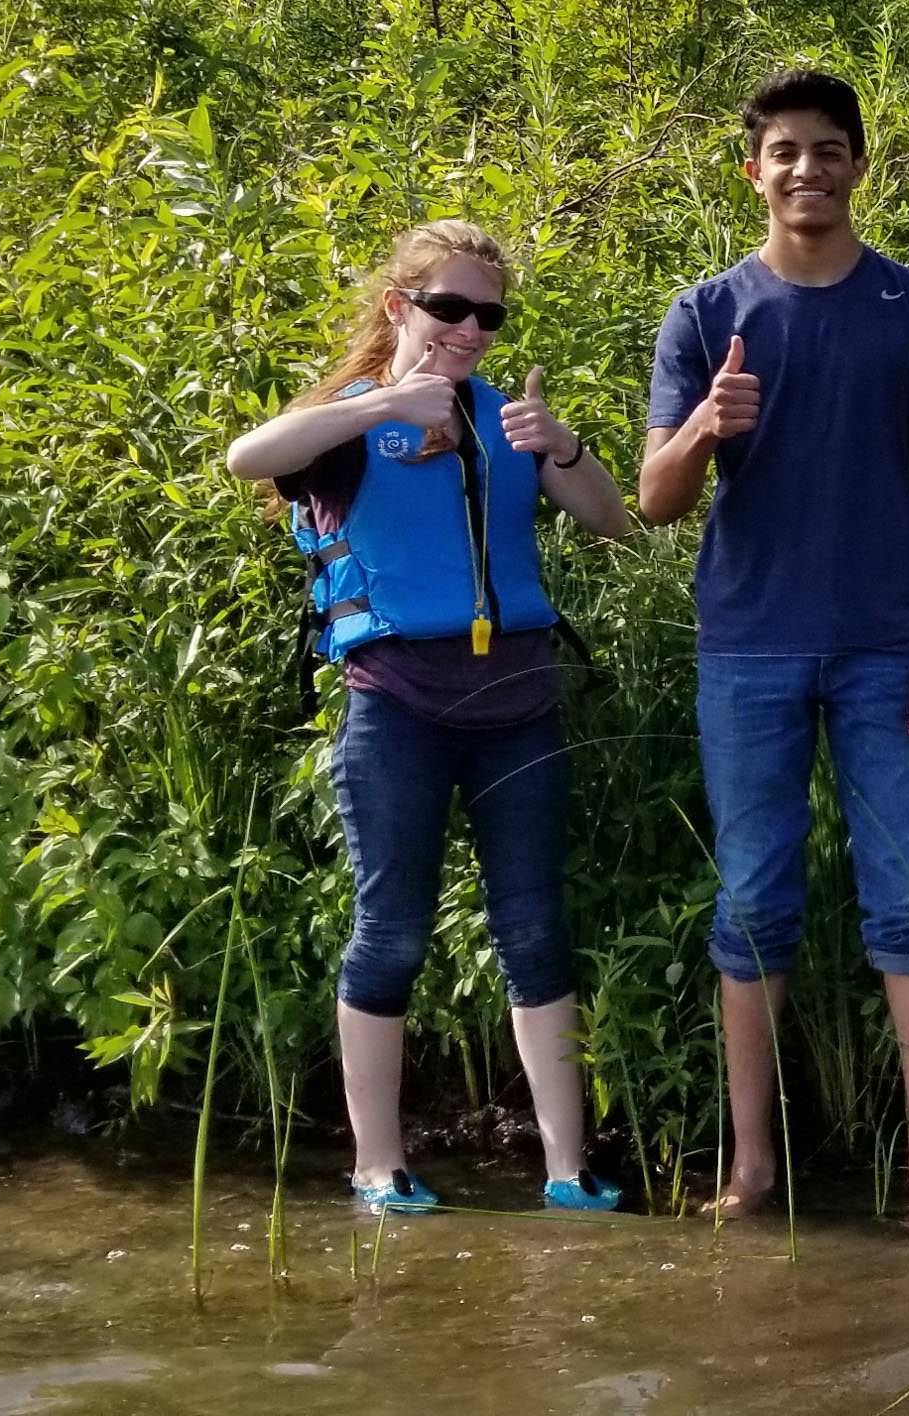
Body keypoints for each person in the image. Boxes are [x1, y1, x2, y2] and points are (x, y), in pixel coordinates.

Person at [223, 219, 639, 1216]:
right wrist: (377, 409)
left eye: (488, 316)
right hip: (398, 705)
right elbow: (249, 456)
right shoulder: (351, 420)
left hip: (517, 703)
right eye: (450, 307)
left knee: (534, 929)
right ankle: (377, 1161)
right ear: (400, 305)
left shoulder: (506, 418)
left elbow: (611, 519)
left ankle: (568, 1169)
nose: (470, 330)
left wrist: (561, 445)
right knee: (394, 931)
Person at [642, 67, 909, 1221]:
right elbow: (652, 499)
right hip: (748, 651)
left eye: (828, 148)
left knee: (905, 903)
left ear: (858, 165)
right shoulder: (704, 315)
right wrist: (702, 427)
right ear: (754, 170)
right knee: (751, 901)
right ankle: (751, 1166)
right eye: (783, 150)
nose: (806, 168)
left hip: (891, 649)